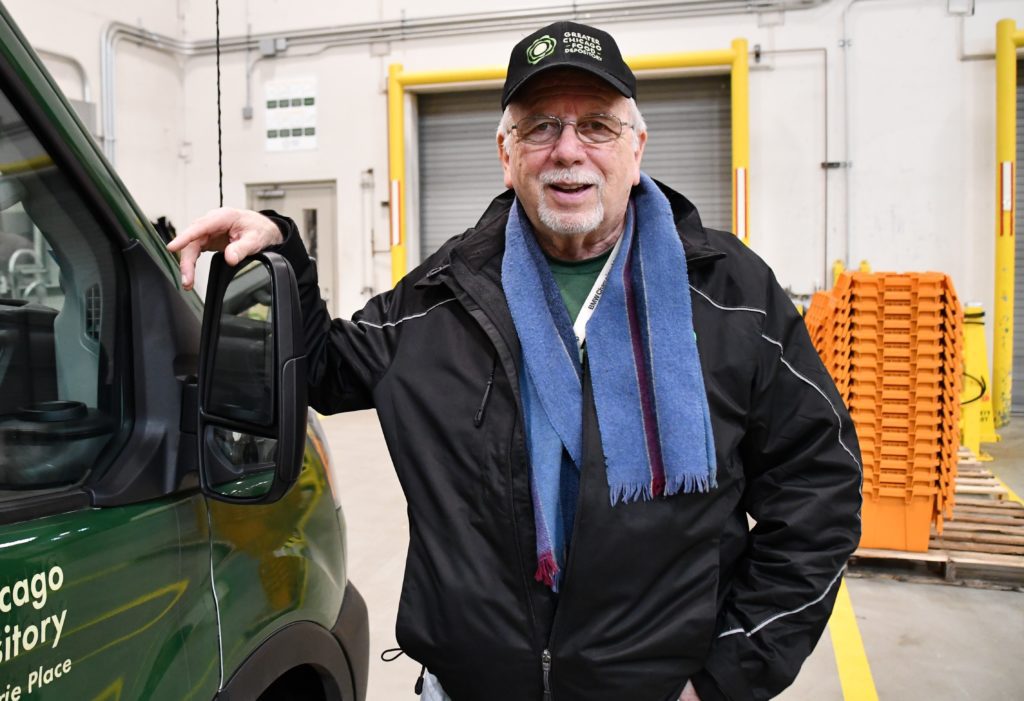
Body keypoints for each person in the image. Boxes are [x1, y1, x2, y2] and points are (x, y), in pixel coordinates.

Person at [169, 21, 862, 701]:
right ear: (506, 152)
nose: (568, 151)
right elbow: (324, 368)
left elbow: (817, 494)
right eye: (540, 127)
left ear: (636, 147)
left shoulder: (732, 298)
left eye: (597, 125)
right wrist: (282, 251)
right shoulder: (445, 293)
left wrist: (722, 680)